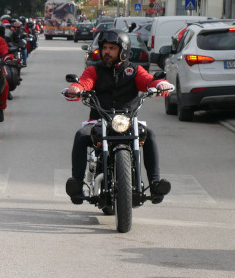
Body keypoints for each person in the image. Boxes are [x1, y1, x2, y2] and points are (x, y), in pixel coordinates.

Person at [63, 29, 173, 204]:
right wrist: (77, 88)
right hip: (99, 120)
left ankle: (155, 183)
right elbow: (85, 82)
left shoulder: (133, 70)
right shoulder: (94, 70)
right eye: (105, 48)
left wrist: (160, 84)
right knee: (81, 135)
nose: (107, 52)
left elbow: (148, 80)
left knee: (149, 135)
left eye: (112, 48)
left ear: (123, 50)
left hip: (126, 121)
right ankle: (76, 184)